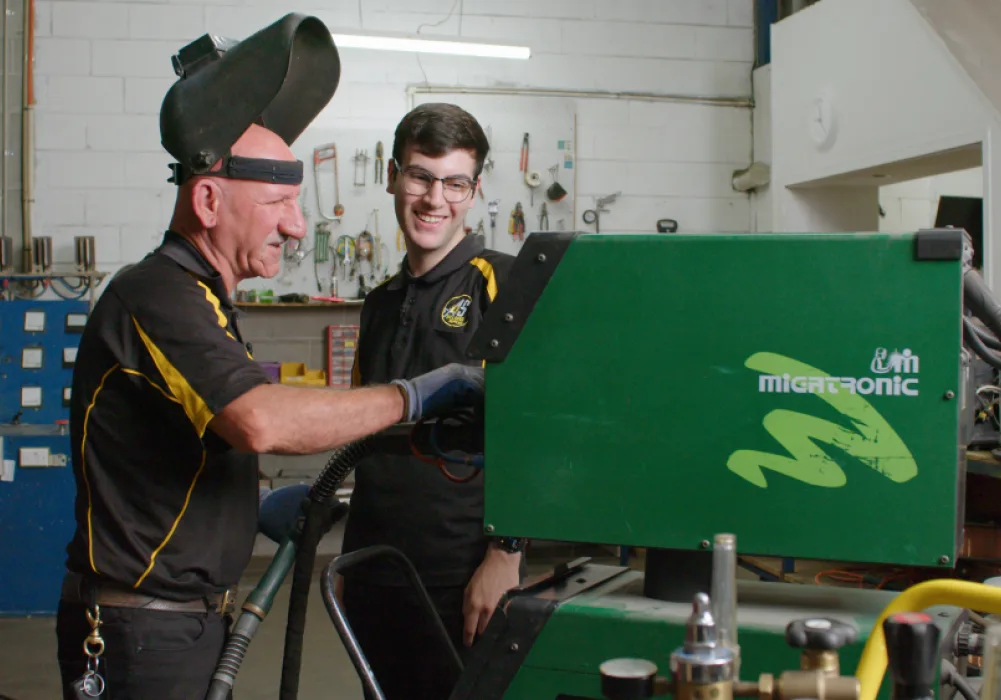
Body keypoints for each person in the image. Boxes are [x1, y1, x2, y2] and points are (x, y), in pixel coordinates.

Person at [54, 17, 483, 700]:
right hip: (141, 631)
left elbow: (178, 448)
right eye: (279, 202)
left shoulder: (202, 299)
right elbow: (259, 422)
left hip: (183, 623)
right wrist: (415, 394)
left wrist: (253, 502)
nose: (295, 223)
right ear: (206, 199)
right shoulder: (157, 295)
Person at [339, 102, 523, 700]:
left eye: (454, 183)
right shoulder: (378, 303)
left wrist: (507, 558)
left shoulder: (501, 282)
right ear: (393, 175)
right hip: (377, 567)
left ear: (473, 191)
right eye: (420, 176)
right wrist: (348, 560)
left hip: (460, 571)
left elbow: (535, 427)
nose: (433, 199)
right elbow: (367, 444)